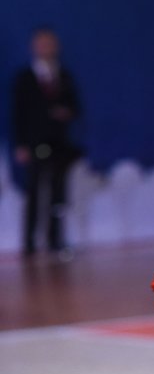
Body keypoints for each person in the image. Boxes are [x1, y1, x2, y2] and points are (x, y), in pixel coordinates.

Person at [13, 27, 81, 258]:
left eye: (50, 43)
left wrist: (66, 112)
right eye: (42, 43)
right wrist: (21, 144)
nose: (46, 48)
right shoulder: (25, 78)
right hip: (34, 143)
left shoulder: (64, 76)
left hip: (59, 142)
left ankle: (55, 240)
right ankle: (29, 243)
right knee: (34, 192)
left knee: (57, 194)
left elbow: (75, 106)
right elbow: (18, 113)